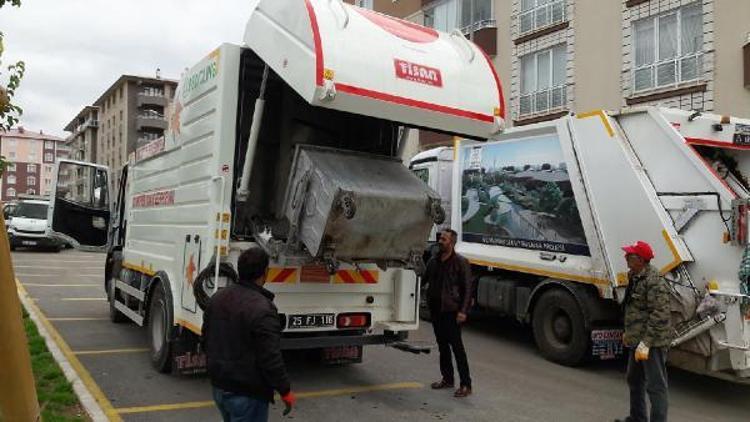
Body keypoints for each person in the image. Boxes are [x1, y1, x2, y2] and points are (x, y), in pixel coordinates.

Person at [202, 247, 296, 422]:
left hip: (220, 387)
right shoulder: (263, 308)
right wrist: (285, 391)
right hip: (247, 394)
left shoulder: (217, 298)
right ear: (265, 273)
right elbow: (270, 357)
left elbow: (206, 339)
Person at [615, 241, 672, 422]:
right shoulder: (635, 276)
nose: (625, 257)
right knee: (634, 379)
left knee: (656, 386)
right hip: (636, 339)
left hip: (652, 342)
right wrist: (628, 333)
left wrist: (646, 343)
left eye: (630, 255)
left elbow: (660, 314)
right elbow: (631, 308)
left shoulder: (654, 281)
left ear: (640, 259)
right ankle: (637, 417)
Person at [425, 229, 474, 398]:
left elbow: (468, 289)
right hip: (436, 309)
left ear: (451, 242)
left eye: (444, 239)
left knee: (457, 348)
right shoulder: (433, 261)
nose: (440, 241)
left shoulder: (461, 262)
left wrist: (463, 311)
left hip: (452, 311)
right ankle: (447, 379)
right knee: (442, 346)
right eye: (440, 238)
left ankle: (466, 384)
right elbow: (423, 278)